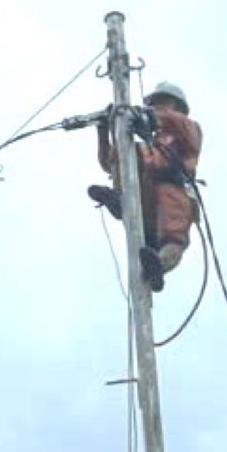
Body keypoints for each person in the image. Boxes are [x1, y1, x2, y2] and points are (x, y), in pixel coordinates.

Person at [89, 81, 201, 293]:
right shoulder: (146, 142)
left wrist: (147, 114)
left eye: (162, 102)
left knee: (173, 238)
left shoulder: (189, 130)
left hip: (173, 190)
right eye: (154, 103)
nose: (158, 107)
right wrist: (104, 129)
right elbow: (110, 162)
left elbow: (178, 123)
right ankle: (120, 202)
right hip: (144, 197)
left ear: (177, 105)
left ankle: (158, 266)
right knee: (126, 157)